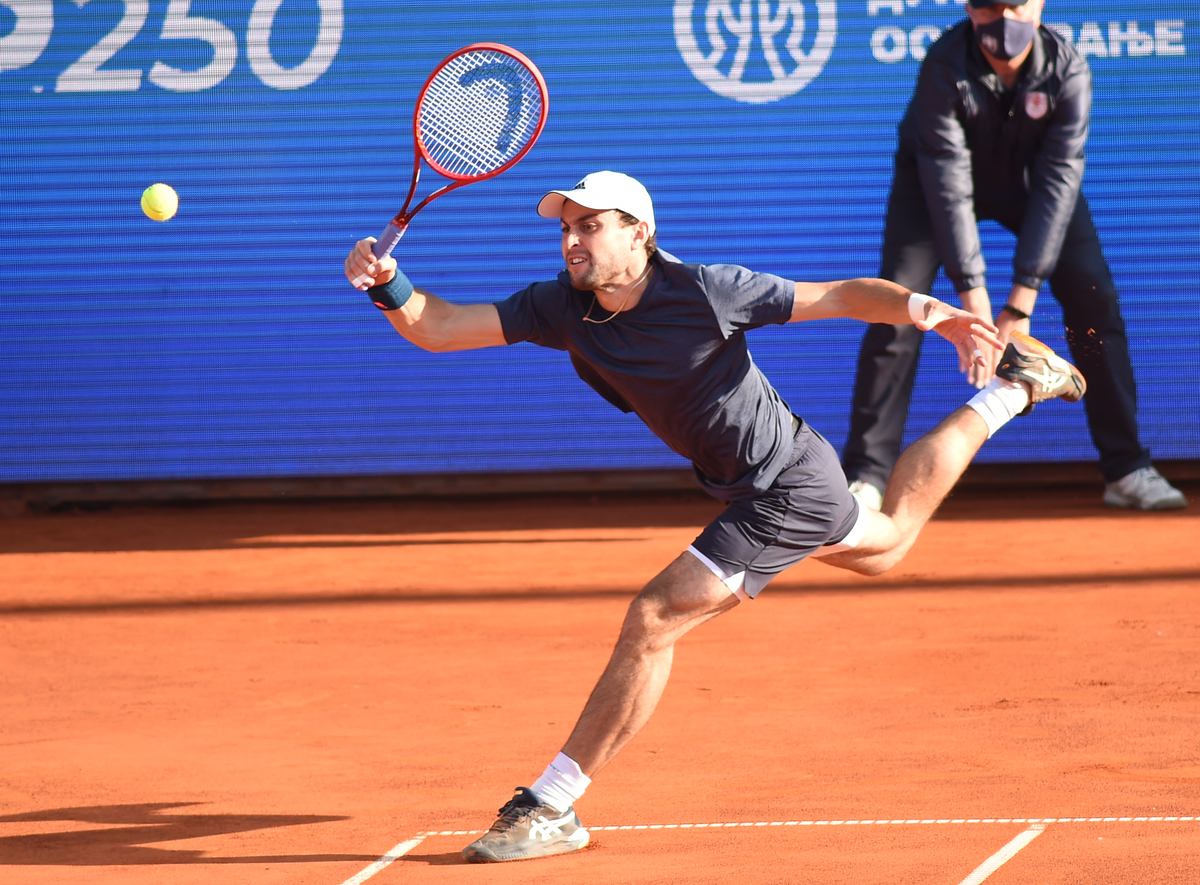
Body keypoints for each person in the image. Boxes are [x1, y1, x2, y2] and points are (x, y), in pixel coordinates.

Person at [344, 170, 1086, 863]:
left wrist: (936, 313)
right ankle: (1014, 391)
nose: (572, 240)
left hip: (786, 488)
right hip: (765, 482)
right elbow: (438, 325)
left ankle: (553, 804)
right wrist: (389, 285)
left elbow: (839, 295)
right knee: (886, 543)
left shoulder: (705, 291)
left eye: (590, 225)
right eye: (565, 228)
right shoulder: (559, 306)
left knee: (654, 618)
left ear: (639, 233)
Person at [842, 0, 1185, 513]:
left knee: (1095, 301)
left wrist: (1020, 303)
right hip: (930, 191)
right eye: (988, 5)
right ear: (967, 7)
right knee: (900, 304)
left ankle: (1126, 467)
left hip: (1034, 190)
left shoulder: (1069, 69)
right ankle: (866, 478)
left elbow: (1057, 181)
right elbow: (949, 183)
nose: (1003, 18)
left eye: (1016, 4)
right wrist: (975, 306)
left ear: (1040, 4)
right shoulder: (943, 65)